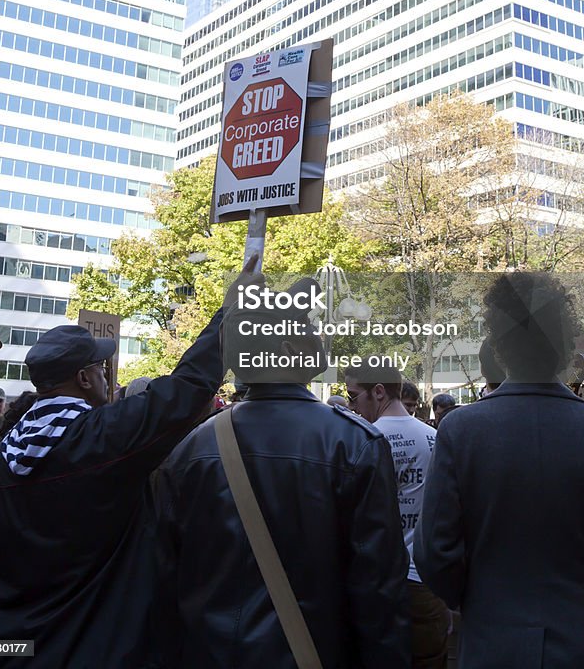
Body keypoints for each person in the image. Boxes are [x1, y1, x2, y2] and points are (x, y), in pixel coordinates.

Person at [0, 257, 261, 669]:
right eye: (102, 369)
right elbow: (188, 387)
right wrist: (234, 309)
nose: (108, 377)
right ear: (84, 379)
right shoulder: (104, 439)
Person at [154, 278, 411, 669]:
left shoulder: (191, 449)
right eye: (304, 325)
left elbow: (163, 578)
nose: (316, 332)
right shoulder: (354, 443)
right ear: (288, 349)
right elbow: (377, 592)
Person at [415, 271, 584, 669]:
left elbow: (434, 553)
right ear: (566, 344)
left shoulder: (461, 431)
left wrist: (476, 601)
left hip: (490, 639)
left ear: (498, 345)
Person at [346, 360, 448, 668]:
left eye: (354, 396)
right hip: (428, 579)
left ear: (378, 392)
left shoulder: (364, 440)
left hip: (380, 582)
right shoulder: (434, 437)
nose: (352, 406)